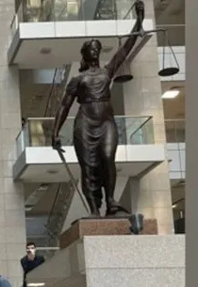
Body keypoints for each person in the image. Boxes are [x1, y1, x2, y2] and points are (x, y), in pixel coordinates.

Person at [51, 0, 145, 217]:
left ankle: (111, 202)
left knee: (107, 156)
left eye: (96, 48)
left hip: (105, 122)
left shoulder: (107, 71)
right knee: (89, 167)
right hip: (85, 124)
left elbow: (125, 49)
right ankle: (94, 209)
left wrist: (138, 20)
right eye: (91, 49)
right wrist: (54, 133)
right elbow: (64, 105)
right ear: (85, 54)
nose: (94, 51)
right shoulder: (77, 79)